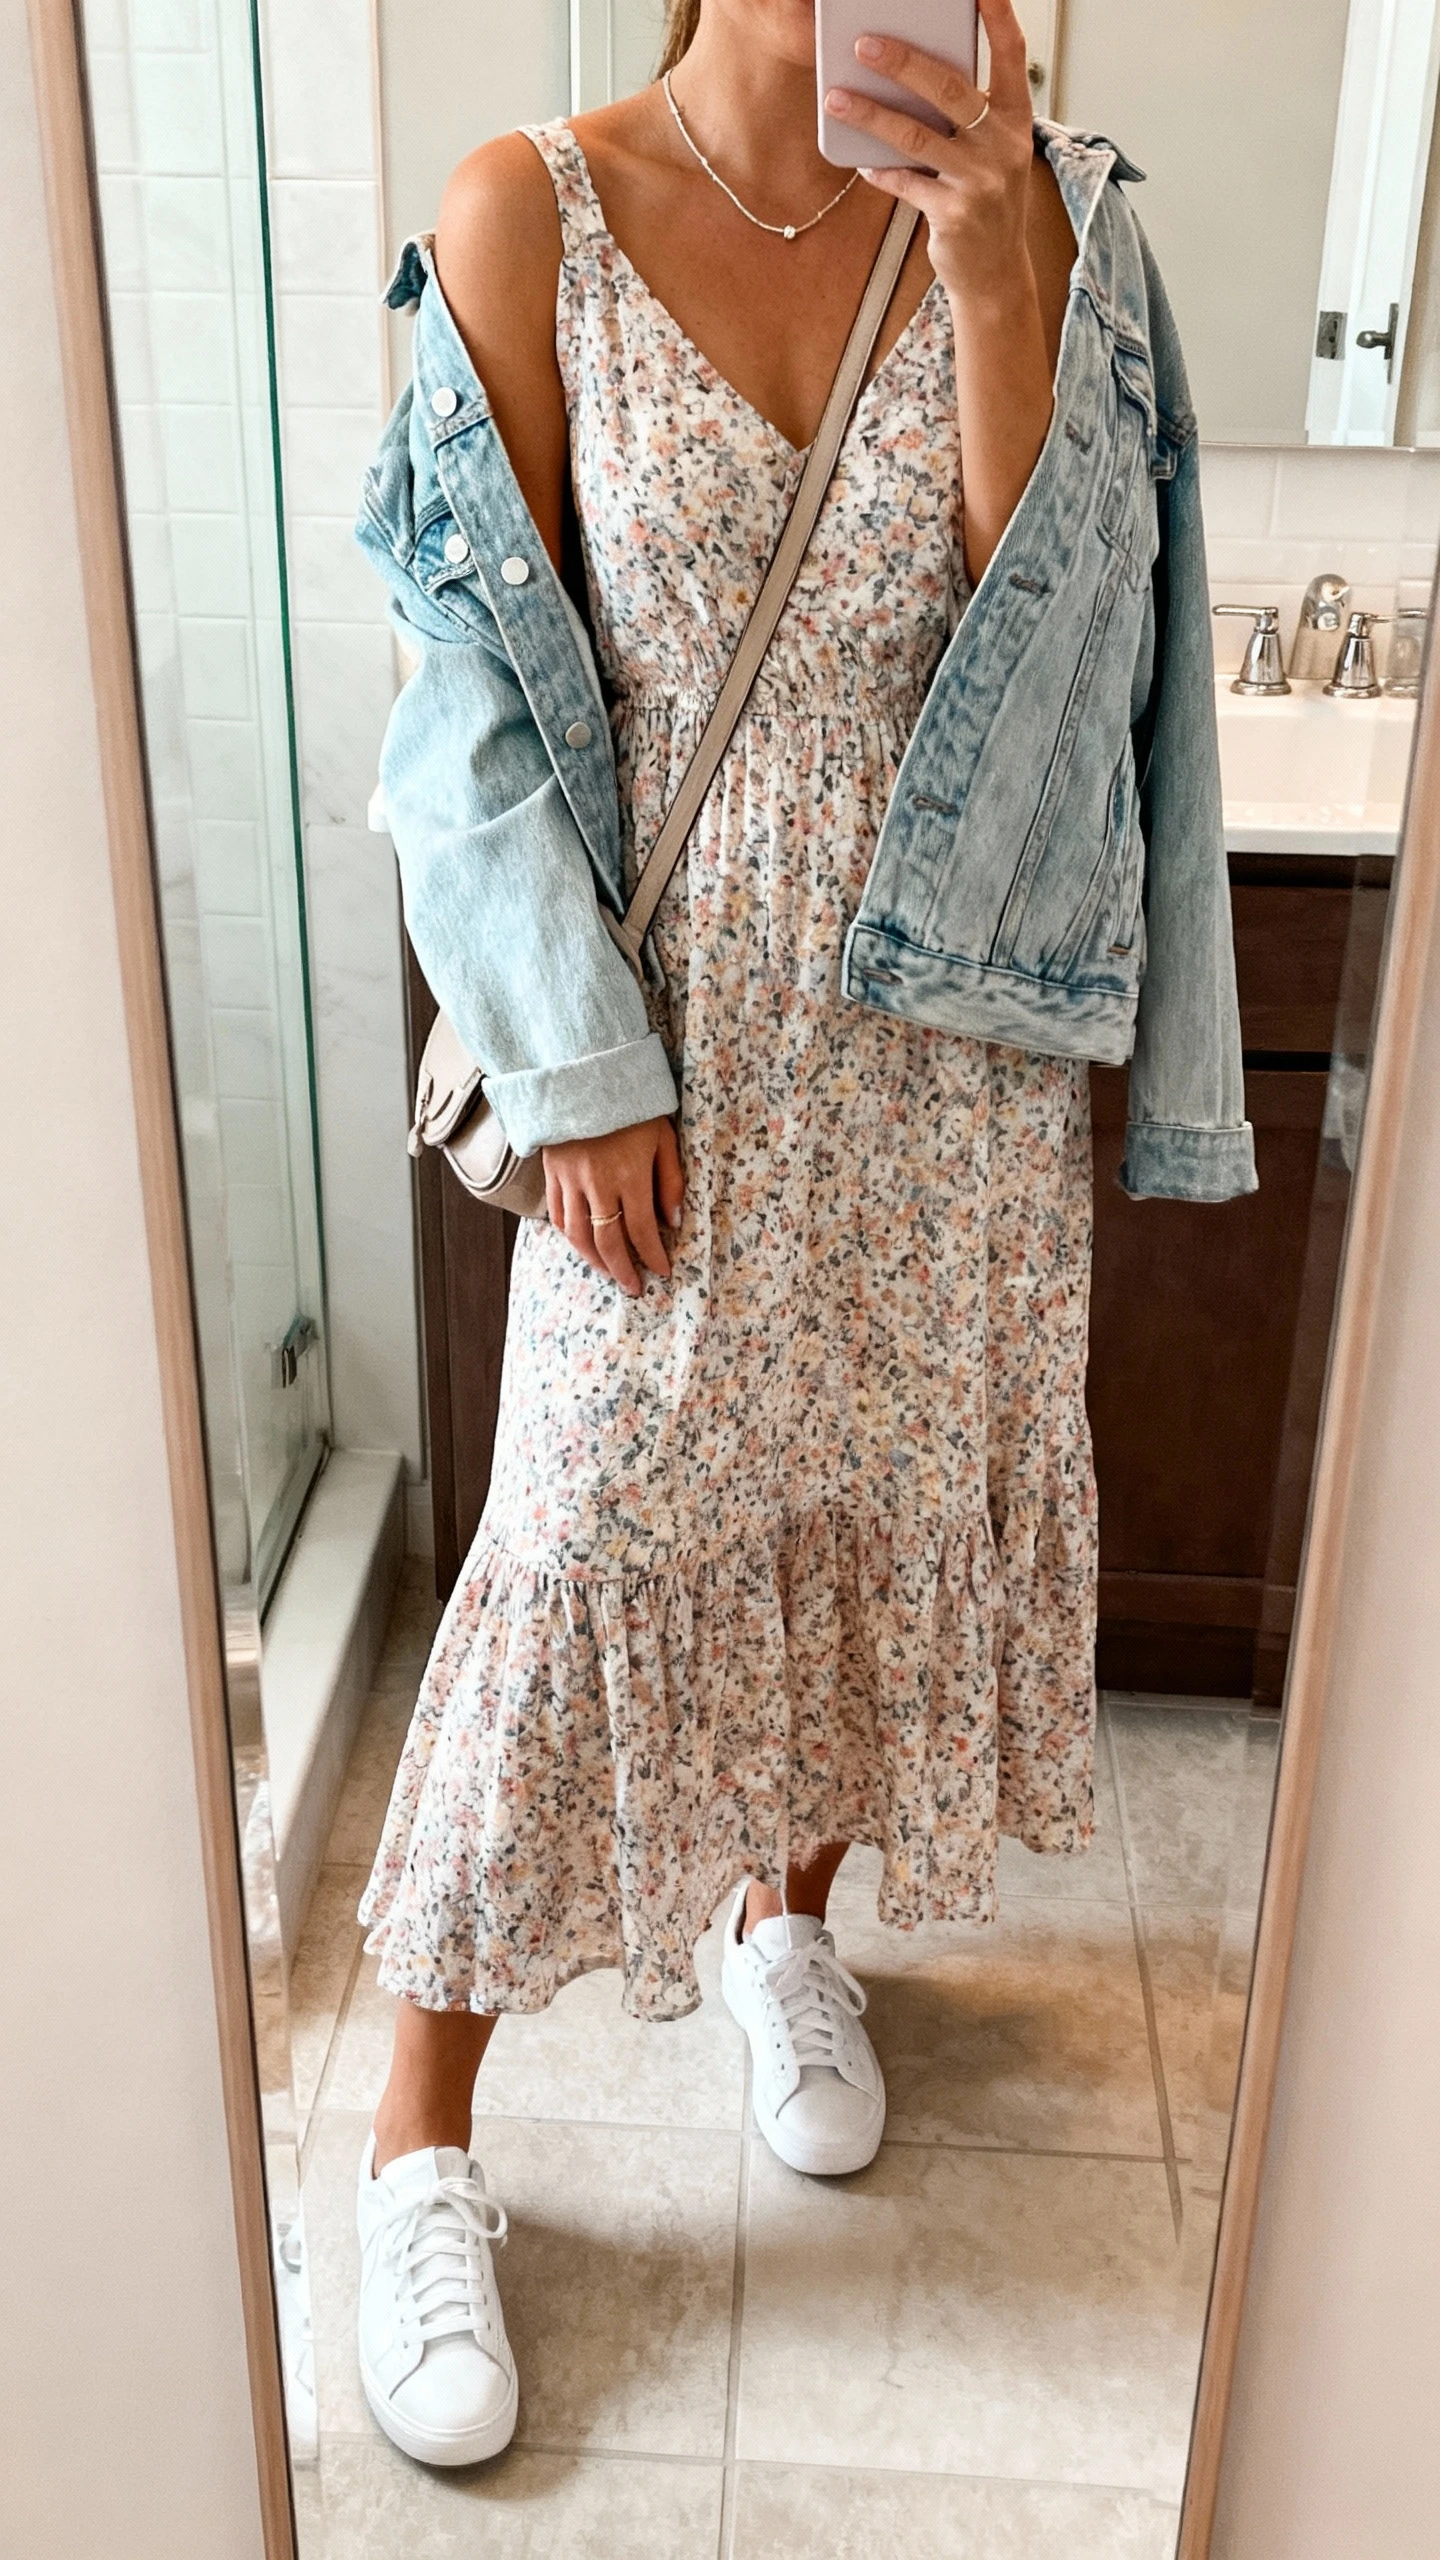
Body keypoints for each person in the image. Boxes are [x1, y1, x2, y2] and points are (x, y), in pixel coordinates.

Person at [350, 0, 1254, 2468]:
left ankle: (788, 1920)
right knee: (578, 1548)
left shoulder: (1049, 215)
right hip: (671, 1061)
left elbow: (1066, 688)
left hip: (945, 1070)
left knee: (862, 1508)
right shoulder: (528, 215)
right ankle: (418, 2134)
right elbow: (463, 707)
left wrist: (992, 284)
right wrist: (575, 1070)